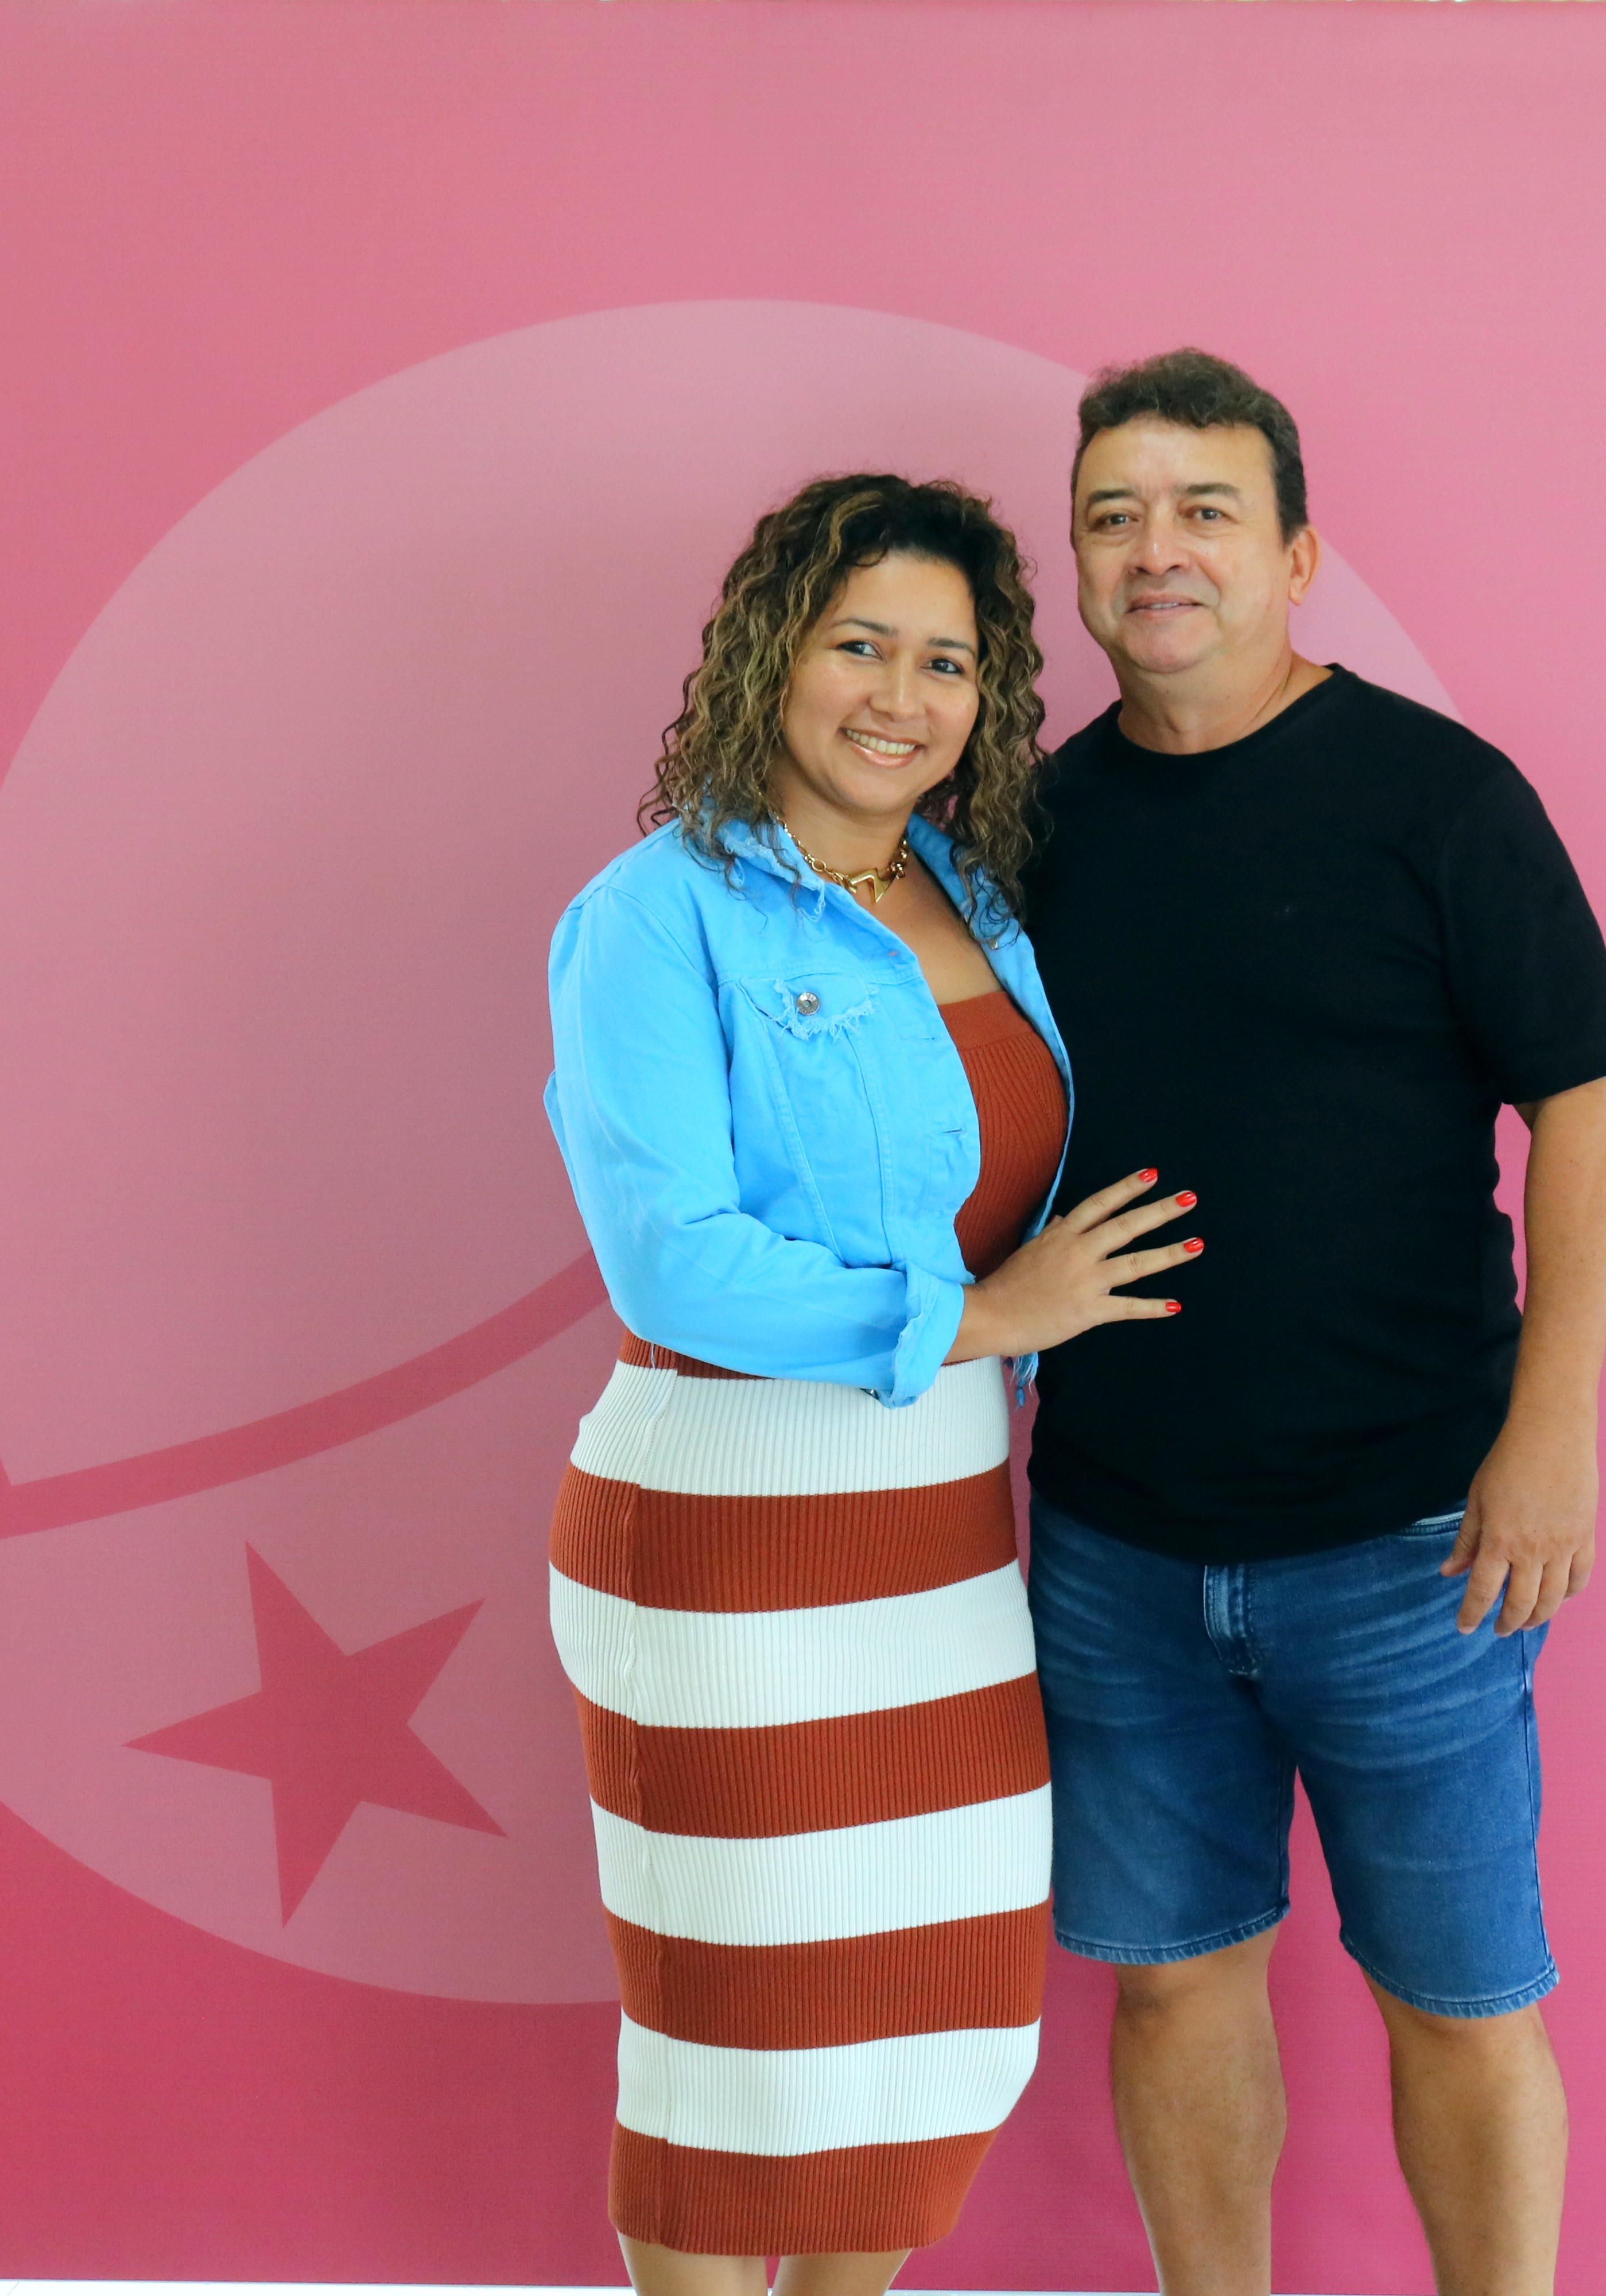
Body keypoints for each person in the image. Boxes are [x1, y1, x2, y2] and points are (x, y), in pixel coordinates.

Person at [1020, 352, 1606, 2296]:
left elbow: (1591, 1104)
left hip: (1414, 1544)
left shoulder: (1438, 798)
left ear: (1295, 555)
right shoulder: (1034, 825)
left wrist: (1552, 1431)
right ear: (1078, 562)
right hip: (1118, 1546)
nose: (1159, 550)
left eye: (1205, 511)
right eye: (1116, 515)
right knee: (1171, 1989)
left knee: (1462, 2003)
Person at [541, 474, 1191, 2296]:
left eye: (948, 662)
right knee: (740, 2056)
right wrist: (987, 1317)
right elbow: (673, 1262)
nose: (902, 697)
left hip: (941, 1555)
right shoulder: (655, 913)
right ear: (772, 652)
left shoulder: (971, 896)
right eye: (860, 645)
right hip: (726, 1543)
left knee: (919, 2036)